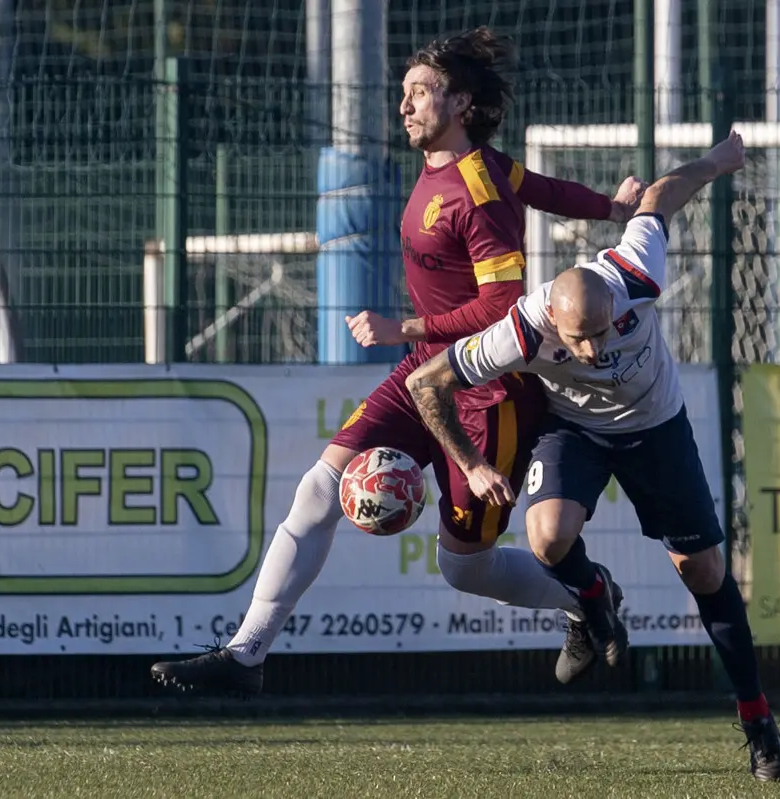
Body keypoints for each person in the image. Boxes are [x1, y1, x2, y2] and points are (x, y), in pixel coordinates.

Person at [150, 27, 645, 695]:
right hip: (423, 374)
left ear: (461, 102)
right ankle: (246, 655)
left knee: (464, 569)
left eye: (420, 93)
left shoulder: (476, 188)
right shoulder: (473, 166)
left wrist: (403, 324)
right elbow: (543, 187)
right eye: (404, 93)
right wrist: (607, 206)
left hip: (487, 391)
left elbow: (503, 308)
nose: (405, 106)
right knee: (319, 489)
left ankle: (587, 595)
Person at [404, 131, 780, 782]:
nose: (591, 352)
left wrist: (717, 162)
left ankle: (756, 716)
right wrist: (471, 462)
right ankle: (593, 598)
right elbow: (426, 383)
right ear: (552, 316)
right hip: (575, 430)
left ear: (619, 308)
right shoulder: (522, 327)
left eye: (602, 333)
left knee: (703, 571)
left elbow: (662, 196)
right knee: (548, 536)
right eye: (576, 340)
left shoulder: (637, 273)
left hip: (655, 428)